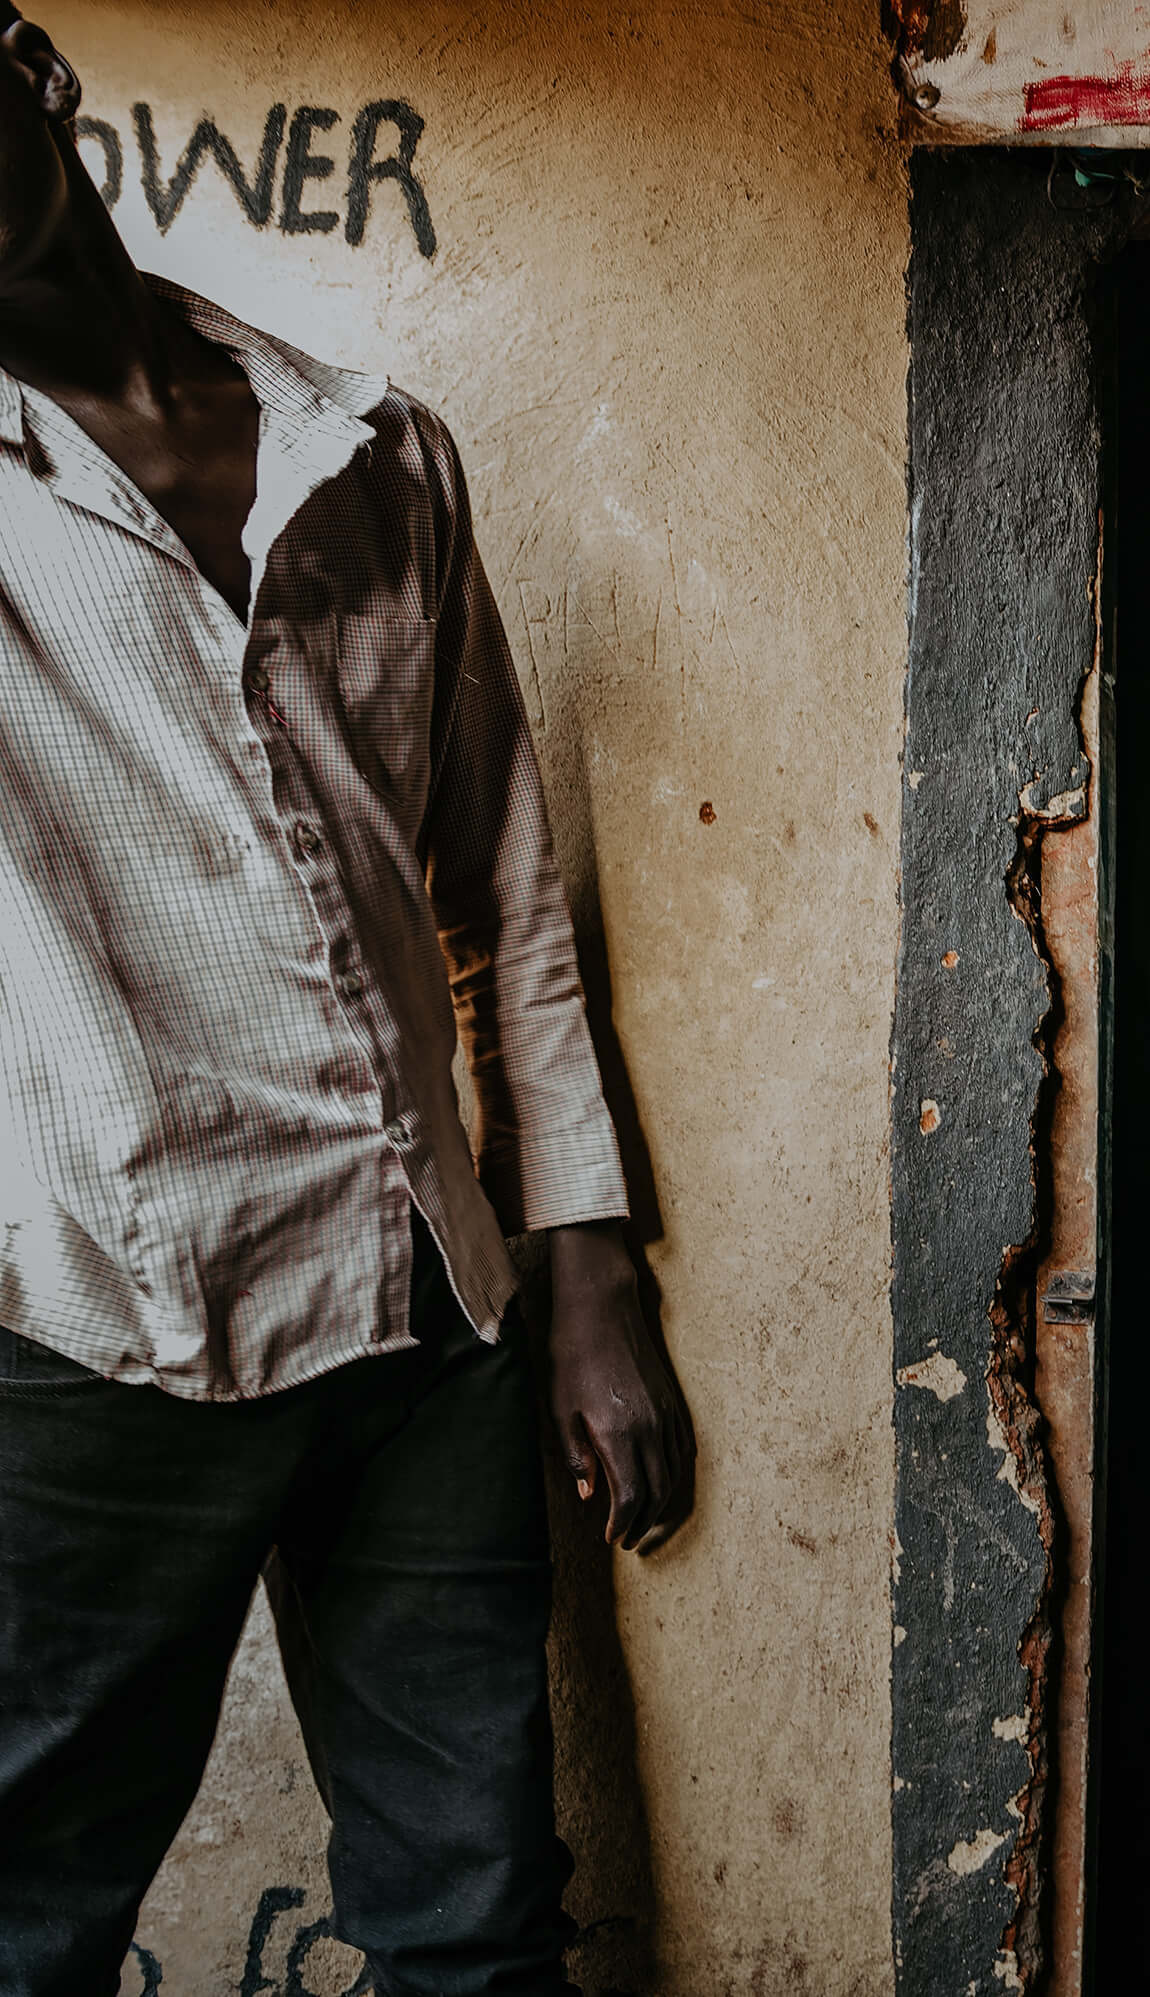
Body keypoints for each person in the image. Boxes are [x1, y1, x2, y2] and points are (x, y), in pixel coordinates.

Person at [0, 12, 693, 1994]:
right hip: (99, 1333)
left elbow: (504, 883)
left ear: (34, 81)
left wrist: (583, 1262)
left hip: (425, 1310)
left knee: (479, 1927)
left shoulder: (374, 449)